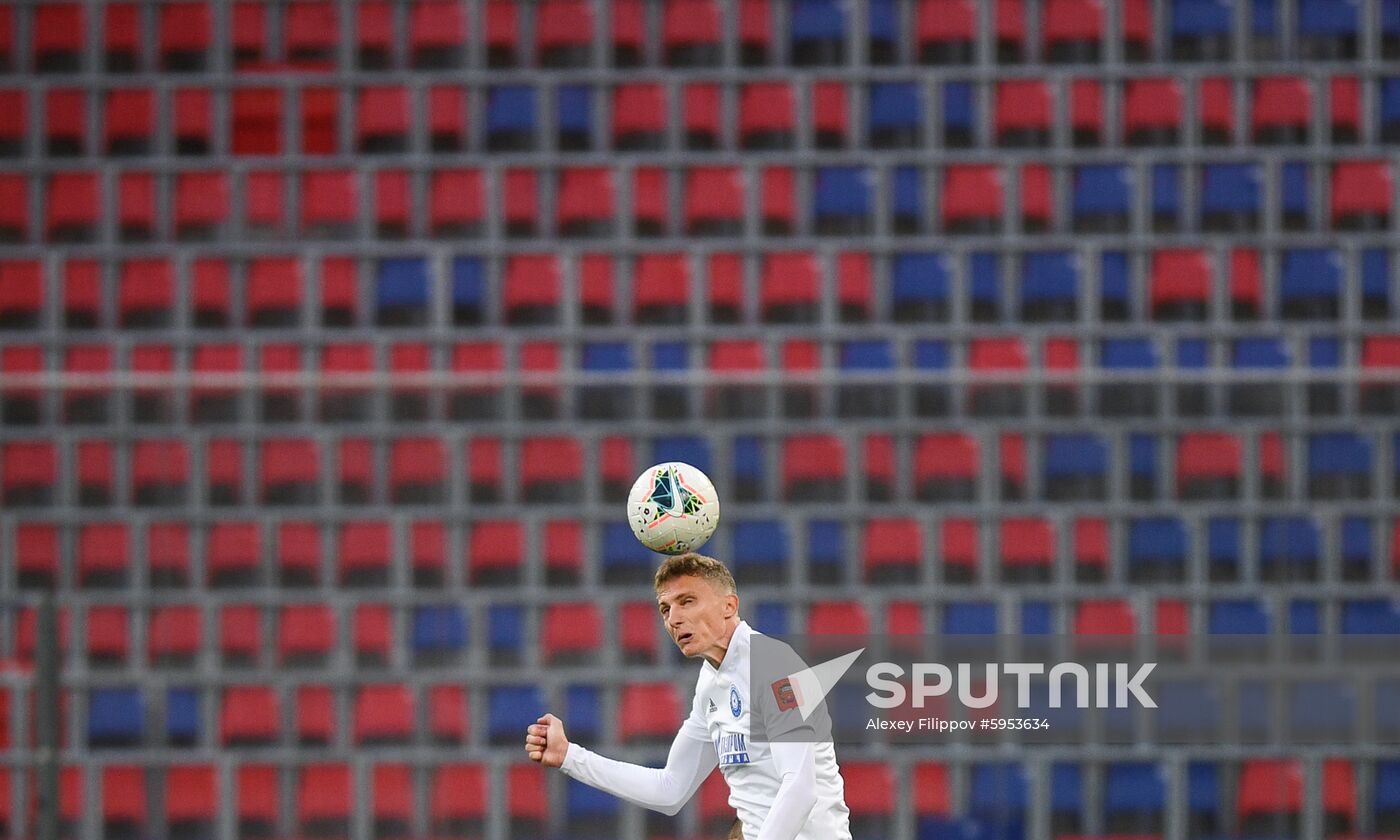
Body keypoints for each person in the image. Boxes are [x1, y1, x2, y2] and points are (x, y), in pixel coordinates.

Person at [525, 552, 852, 839]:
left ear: (729, 605)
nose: (674, 619)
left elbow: (801, 788)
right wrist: (570, 756)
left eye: (687, 601)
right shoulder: (710, 682)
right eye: (665, 609)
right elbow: (670, 789)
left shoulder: (773, 664)